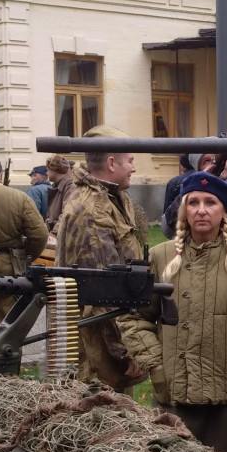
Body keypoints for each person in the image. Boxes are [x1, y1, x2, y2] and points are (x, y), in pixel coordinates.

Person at [118, 170, 227, 452]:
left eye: (210, 202)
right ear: (184, 208)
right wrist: (156, 364)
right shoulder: (161, 257)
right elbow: (135, 318)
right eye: (193, 202)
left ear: (224, 210)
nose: (201, 211)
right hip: (175, 396)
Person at [55, 127, 146, 392]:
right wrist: (126, 351)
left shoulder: (113, 197)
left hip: (108, 336)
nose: (134, 167)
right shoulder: (93, 210)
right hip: (95, 348)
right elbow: (101, 293)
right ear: (110, 163)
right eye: (130, 160)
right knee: (102, 421)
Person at [0, 157, 48, 334]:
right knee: (7, 326)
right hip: (7, 268)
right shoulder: (18, 197)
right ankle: (6, 360)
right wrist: (24, 257)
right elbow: (39, 235)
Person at [45, 154, 75, 233]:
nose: (46, 173)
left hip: (62, 234)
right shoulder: (58, 185)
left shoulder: (70, 187)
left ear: (55, 169)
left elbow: (67, 213)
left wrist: (54, 233)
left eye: (48, 169)